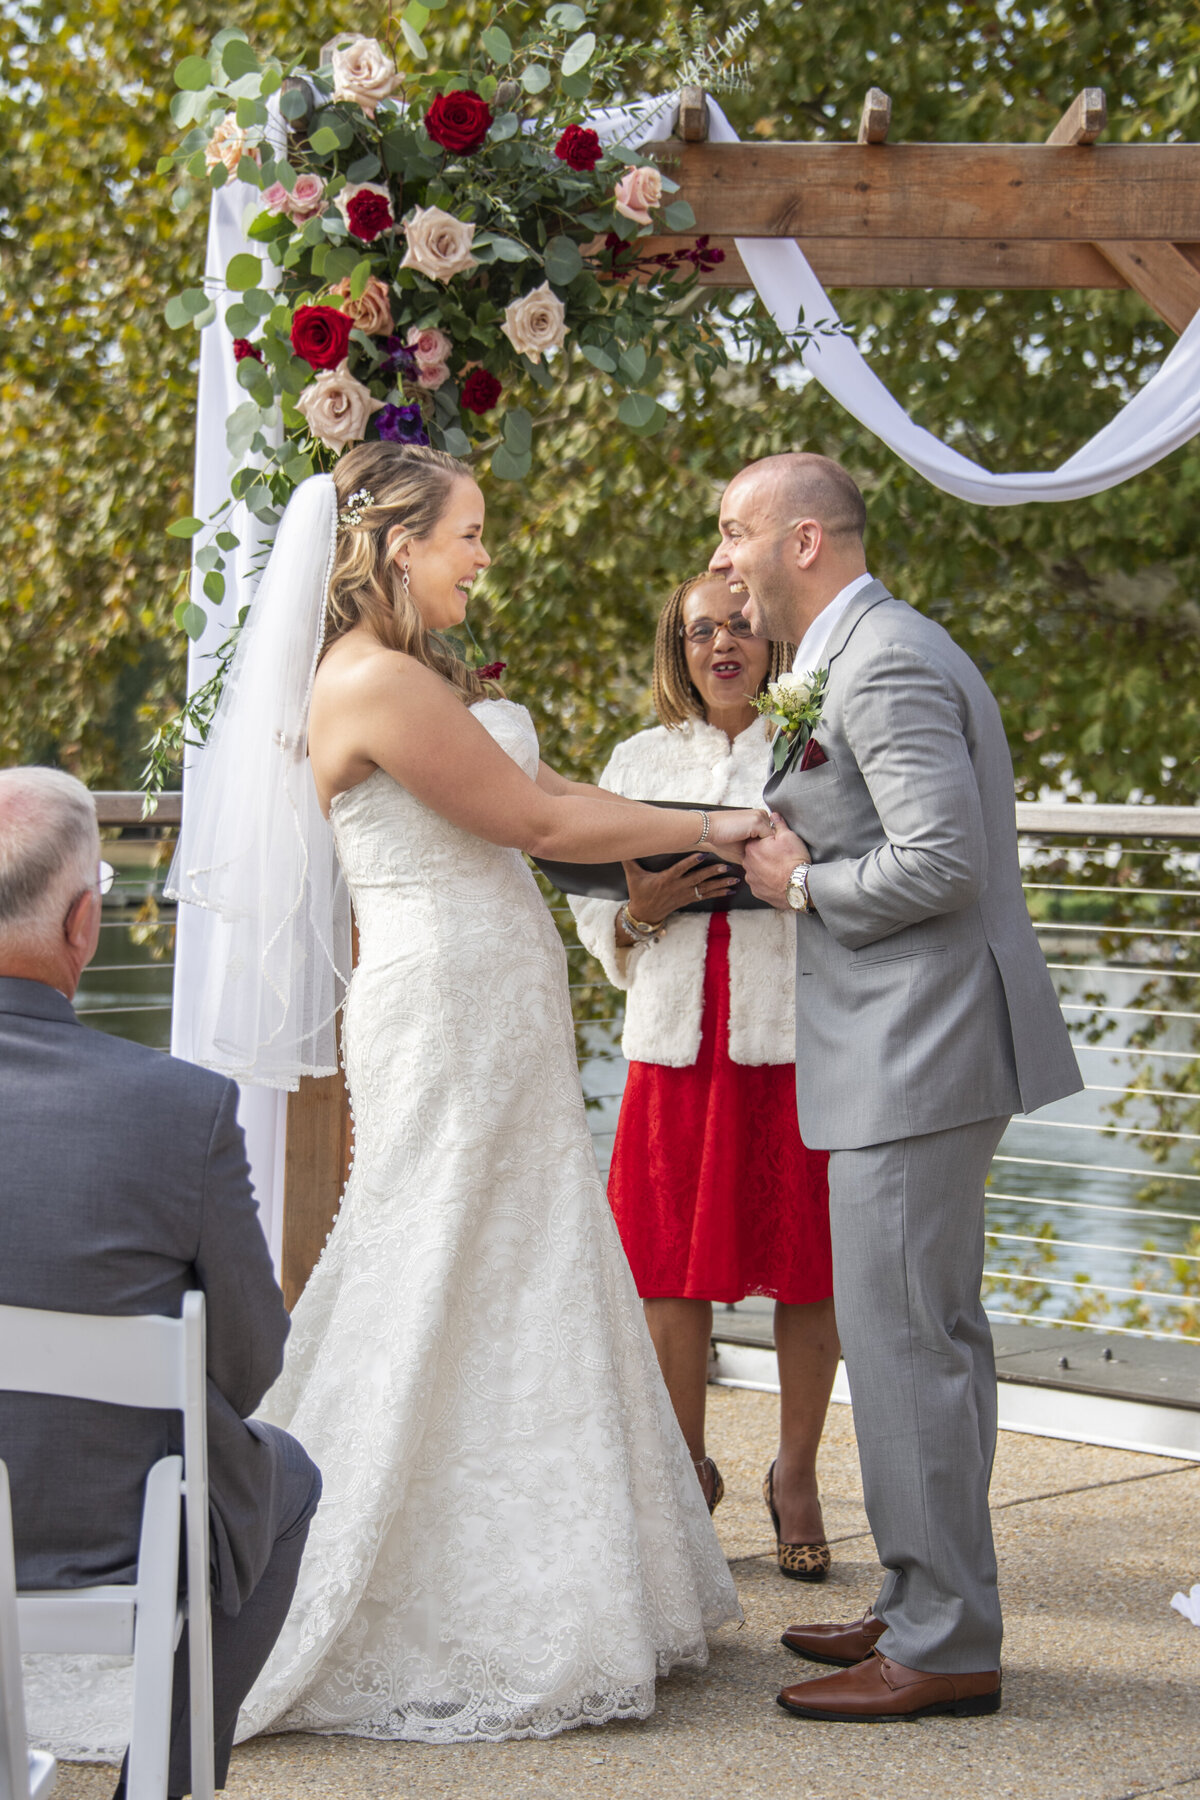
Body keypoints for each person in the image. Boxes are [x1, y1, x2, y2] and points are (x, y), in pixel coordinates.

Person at [169, 445, 764, 1746]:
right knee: (432, 1256)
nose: (483, 554)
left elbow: (553, 791)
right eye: (468, 534)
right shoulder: (372, 680)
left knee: (519, 1260)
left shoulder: (411, 675)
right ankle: (363, 1574)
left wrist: (694, 812)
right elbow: (535, 828)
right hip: (442, 1010)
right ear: (392, 544)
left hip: (490, 1005)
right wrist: (721, 831)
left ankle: (553, 1564)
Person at [715, 453, 1082, 1723]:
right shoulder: (866, 651)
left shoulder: (887, 661)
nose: (724, 561)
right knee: (940, 1341)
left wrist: (799, 885)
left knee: (906, 1343)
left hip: (919, 1047)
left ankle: (944, 1645)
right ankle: (924, 1597)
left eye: (735, 534)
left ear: (804, 540)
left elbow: (945, 864)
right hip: (911, 1042)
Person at [0, 766, 321, 1796]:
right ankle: (164, 1783)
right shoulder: (178, 1109)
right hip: (110, 1527)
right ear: (86, 921)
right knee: (284, 1473)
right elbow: (249, 1361)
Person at [570, 572, 839, 1578]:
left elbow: (853, 875)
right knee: (668, 1269)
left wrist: (788, 884)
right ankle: (687, 1472)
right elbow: (597, 903)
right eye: (698, 633)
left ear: (773, 642)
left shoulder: (813, 750)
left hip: (791, 1044)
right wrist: (641, 910)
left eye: (739, 628)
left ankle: (797, 1474)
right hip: (676, 1046)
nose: (720, 645)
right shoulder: (638, 760)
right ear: (675, 651)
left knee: (810, 1267)